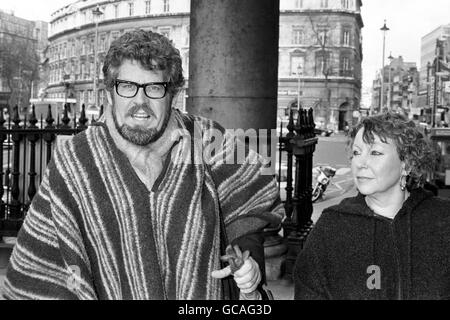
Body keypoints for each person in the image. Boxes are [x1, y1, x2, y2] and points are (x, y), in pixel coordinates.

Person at [3, 30, 283, 300]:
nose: (140, 101)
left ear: (173, 94)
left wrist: (248, 261)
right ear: (109, 93)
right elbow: (39, 271)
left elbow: (251, 207)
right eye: (127, 86)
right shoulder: (76, 161)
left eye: (154, 88)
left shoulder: (208, 141)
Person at [294, 112, 450, 300]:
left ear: (406, 164)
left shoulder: (442, 220)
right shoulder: (332, 226)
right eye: (357, 153)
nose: (360, 163)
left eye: (375, 152)